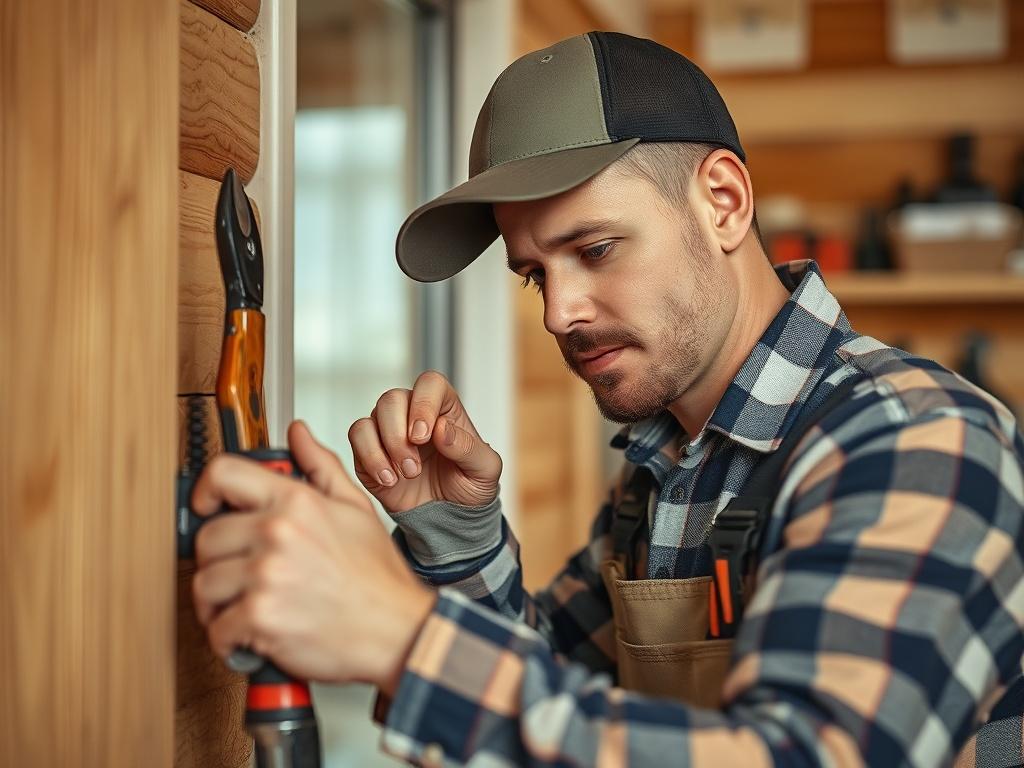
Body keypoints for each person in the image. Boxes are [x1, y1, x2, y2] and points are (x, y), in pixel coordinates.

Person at [190, 33, 1024, 767]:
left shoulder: (917, 441)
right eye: (535, 274)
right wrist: (457, 539)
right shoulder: (668, 469)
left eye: (595, 248)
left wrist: (398, 635)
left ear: (723, 202)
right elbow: (561, 702)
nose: (560, 313)